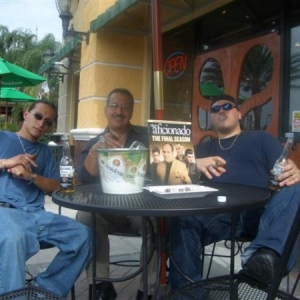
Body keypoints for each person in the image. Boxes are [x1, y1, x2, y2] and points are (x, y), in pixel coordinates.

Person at [168, 94, 300, 294]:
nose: (221, 110)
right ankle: (188, 296)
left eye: (227, 106)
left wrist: (293, 170)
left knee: (296, 186)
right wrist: (193, 163)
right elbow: (166, 173)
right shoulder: (201, 149)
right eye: (215, 109)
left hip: (260, 214)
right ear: (211, 118)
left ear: (239, 113)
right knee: (183, 218)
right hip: (217, 216)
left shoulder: (261, 139)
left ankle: (264, 259)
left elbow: (283, 168)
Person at [0, 100, 91, 298]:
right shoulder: (3, 138)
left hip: (36, 216)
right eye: (38, 116)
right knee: (14, 237)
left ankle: (42, 292)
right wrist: (8, 162)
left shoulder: (46, 152)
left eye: (48, 122)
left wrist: (31, 176)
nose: (41, 124)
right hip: (4, 212)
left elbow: (56, 187)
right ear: (26, 114)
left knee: (84, 236)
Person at [77, 88, 156, 300]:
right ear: (106, 110)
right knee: (85, 218)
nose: (119, 111)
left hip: (141, 208)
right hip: (106, 210)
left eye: (125, 107)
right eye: (114, 106)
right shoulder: (95, 141)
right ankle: (101, 286)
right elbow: (84, 177)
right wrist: (97, 149)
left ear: (131, 112)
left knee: (158, 224)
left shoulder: (147, 137)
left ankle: (146, 291)